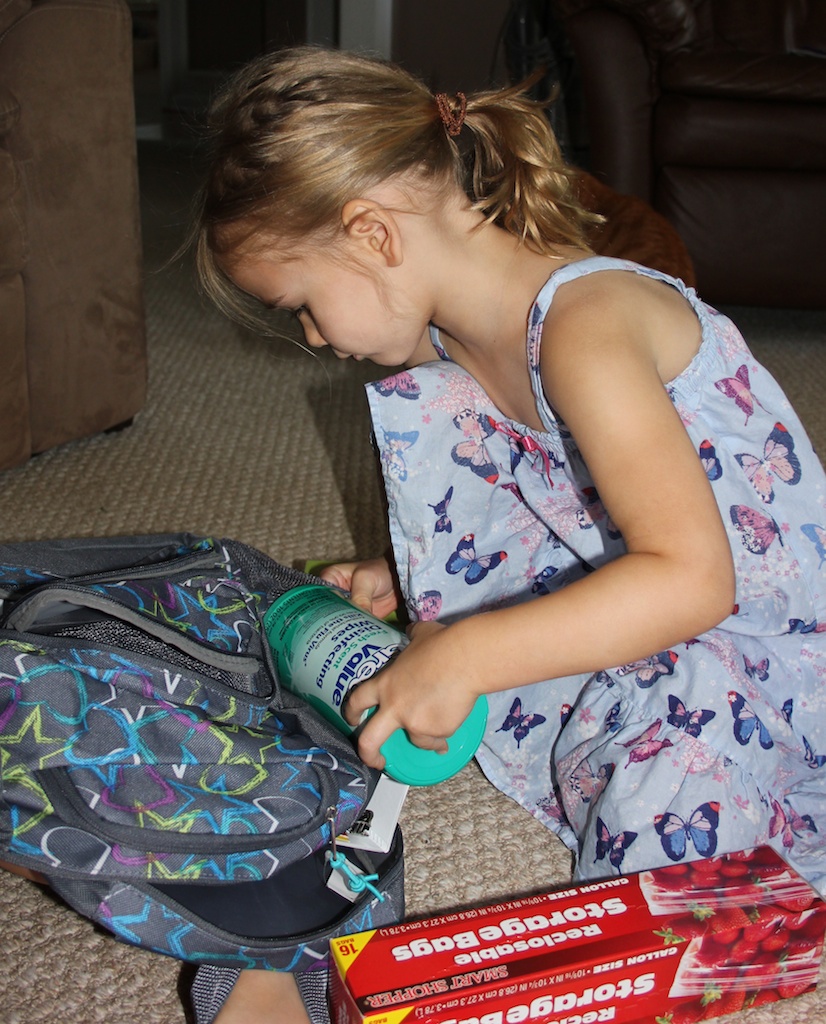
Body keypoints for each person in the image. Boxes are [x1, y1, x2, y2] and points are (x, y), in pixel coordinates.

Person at [191, 44, 826, 1021]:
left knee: (674, 822)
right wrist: (410, 577)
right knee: (411, 672)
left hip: (763, 657)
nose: (314, 338)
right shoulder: (455, 344)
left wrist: (471, 650)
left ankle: (736, 914)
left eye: (304, 307)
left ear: (372, 233)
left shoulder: (586, 322)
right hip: (649, 613)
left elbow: (695, 580)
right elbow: (557, 503)